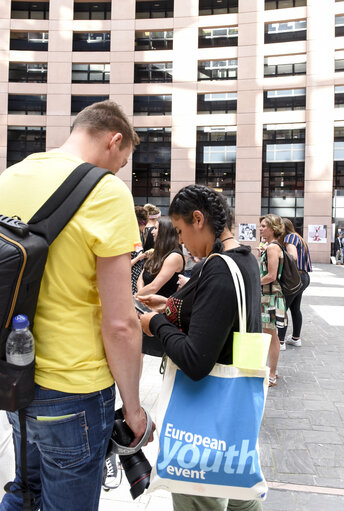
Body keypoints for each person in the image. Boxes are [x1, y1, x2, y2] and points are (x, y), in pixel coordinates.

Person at [0, 100, 153, 511]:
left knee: (24, 490)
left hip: (17, 379)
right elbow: (120, 322)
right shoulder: (107, 192)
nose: (118, 171)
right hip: (74, 389)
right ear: (114, 140)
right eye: (121, 162)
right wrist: (134, 410)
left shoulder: (10, 177)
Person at [139, 184, 262, 511]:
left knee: (199, 498)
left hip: (204, 421)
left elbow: (195, 361)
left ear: (198, 219)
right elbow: (222, 317)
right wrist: (170, 303)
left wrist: (155, 323)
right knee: (241, 499)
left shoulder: (220, 269)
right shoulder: (244, 260)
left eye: (180, 231)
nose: (181, 242)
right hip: (235, 410)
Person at [137, 217, 184, 357]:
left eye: (156, 228)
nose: (152, 231)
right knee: (139, 353)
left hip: (163, 314)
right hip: (146, 309)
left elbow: (154, 286)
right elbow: (142, 276)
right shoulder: (156, 253)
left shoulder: (174, 256)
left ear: (165, 232)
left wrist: (135, 298)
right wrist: (141, 295)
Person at [259, 214, 287, 387]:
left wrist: (253, 281)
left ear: (273, 228)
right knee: (270, 334)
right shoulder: (272, 247)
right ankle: (271, 372)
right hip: (270, 296)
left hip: (270, 297)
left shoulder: (272, 248)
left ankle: (271, 374)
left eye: (263, 226)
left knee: (271, 335)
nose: (260, 228)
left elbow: (271, 276)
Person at [277, 218, 312, 349]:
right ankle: (295, 338)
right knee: (295, 308)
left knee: (283, 308)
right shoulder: (298, 237)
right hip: (303, 277)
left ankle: (280, 342)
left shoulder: (289, 238)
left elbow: (293, 256)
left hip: (294, 278)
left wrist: (278, 256)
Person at [131, 206, 149, 294]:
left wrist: (144, 255)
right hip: (130, 278)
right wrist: (139, 258)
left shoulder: (137, 236)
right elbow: (126, 264)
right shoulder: (128, 237)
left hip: (136, 277)